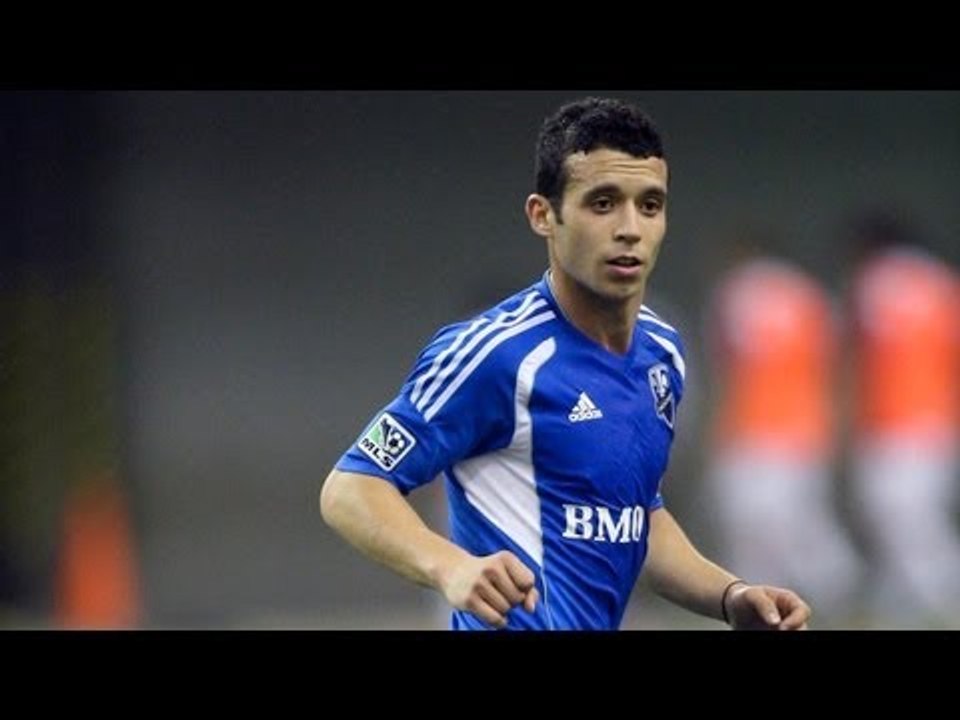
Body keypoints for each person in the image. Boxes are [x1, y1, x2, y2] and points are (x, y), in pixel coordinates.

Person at [320, 97, 811, 630]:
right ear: (543, 215)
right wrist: (451, 567)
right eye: (602, 203)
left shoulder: (662, 354)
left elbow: (636, 518)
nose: (629, 228)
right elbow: (351, 488)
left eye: (649, 205)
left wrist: (730, 595)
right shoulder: (496, 354)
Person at [702, 236, 862, 623]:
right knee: (788, 522)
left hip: (754, 430)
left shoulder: (736, 293)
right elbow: (838, 366)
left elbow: (723, 371)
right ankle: (803, 595)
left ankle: (822, 590)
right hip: (802, 428)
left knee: (760, 523)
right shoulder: (809, 294)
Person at [845, 211, 960, 627]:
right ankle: (897, 603)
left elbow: (859, 355)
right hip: (937, 419)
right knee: (907, 515)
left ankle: (944, 592)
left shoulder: (875, 283)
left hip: (892, 420)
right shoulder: (942, 281)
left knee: (900, 517)